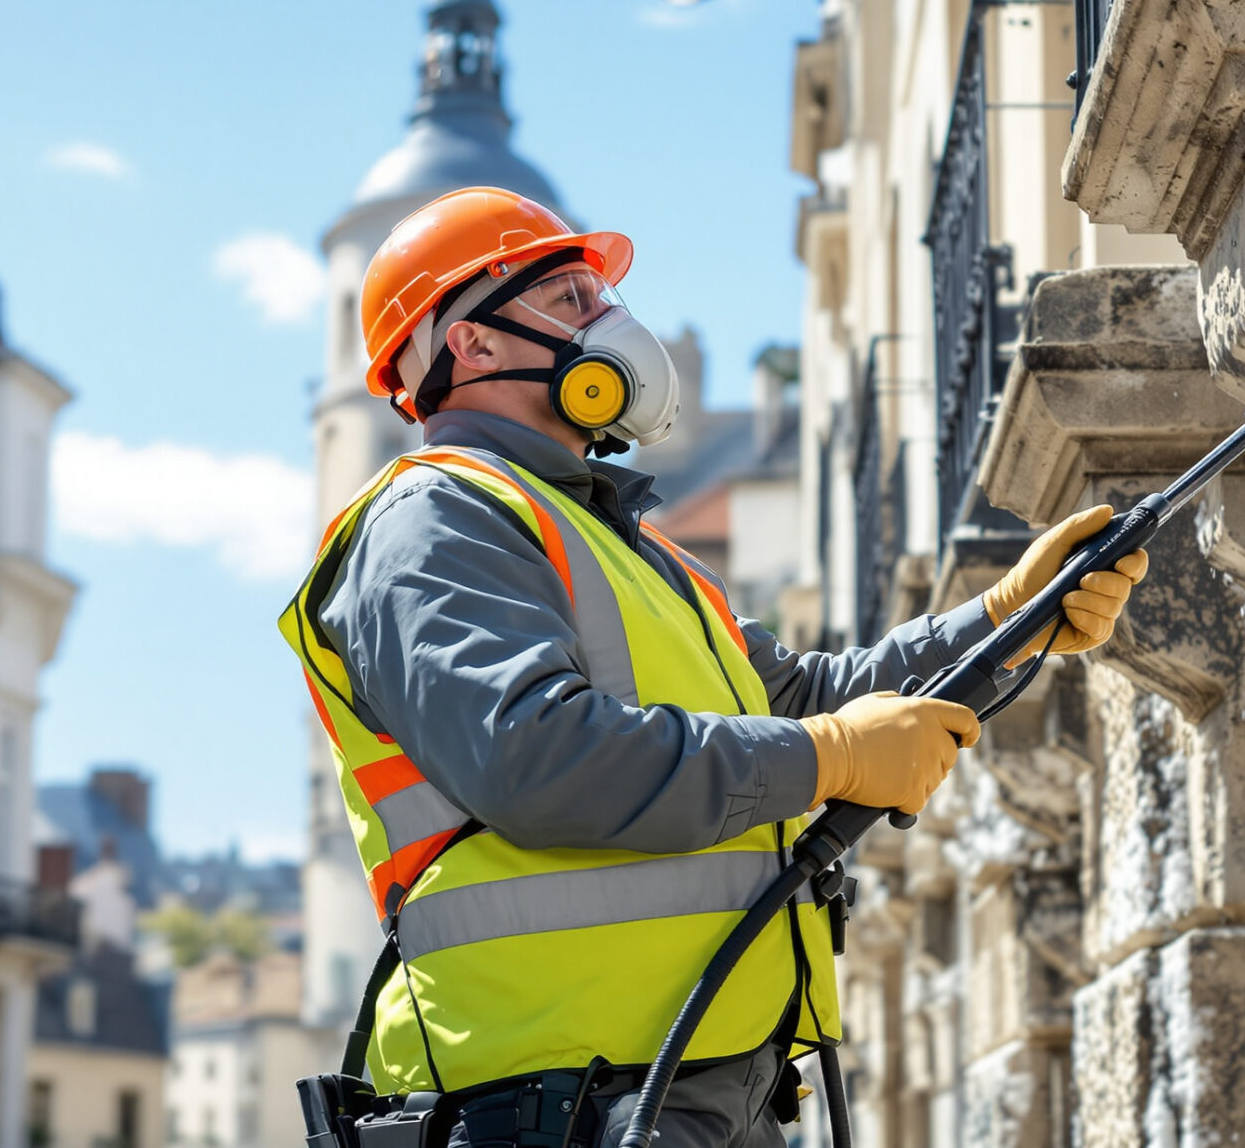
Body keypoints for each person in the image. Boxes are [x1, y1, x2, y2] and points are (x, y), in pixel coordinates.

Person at [277, 188, 1148, 1148]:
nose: (609, 323)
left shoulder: (631, 549)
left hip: (698, 1090)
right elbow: (534, 756)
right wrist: (827, 759)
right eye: (571, 298)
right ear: (472, 343)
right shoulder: (432, 521)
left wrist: (1006, 620)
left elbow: (806, 699)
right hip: (554, 1103)